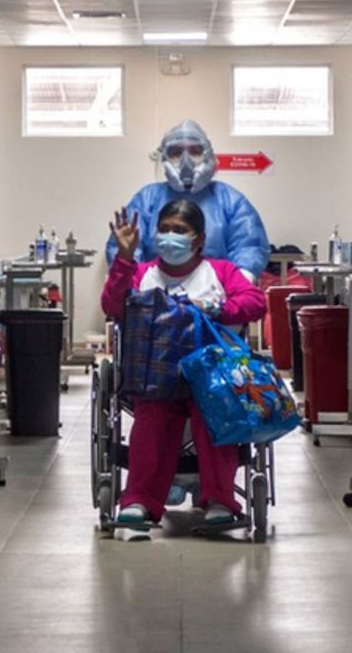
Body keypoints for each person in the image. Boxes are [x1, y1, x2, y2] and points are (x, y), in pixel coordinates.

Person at [101, 199, 269, 525]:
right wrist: (124, 258)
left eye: (179, 230)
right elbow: (113, 305)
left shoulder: (220, 272)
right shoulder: (142, 273)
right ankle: (140, 500)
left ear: (199, 239)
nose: (170, 236)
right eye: (164, 229)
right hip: (155, 377)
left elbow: (255, 302)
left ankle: (220, 500)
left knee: (215, 415)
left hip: (212, 378)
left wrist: (216, 309)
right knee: (151, 420)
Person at [106, 119, 271, 281]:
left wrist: (237, 285)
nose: (186, 160)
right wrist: (133, 283)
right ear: (164, 158)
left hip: (216, 292)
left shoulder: (231, 200)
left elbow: (250, 247)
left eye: (195, 151)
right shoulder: (147, 199)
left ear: (209, 155)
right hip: (155, 290)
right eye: (176, 152)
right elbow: (125, 246)